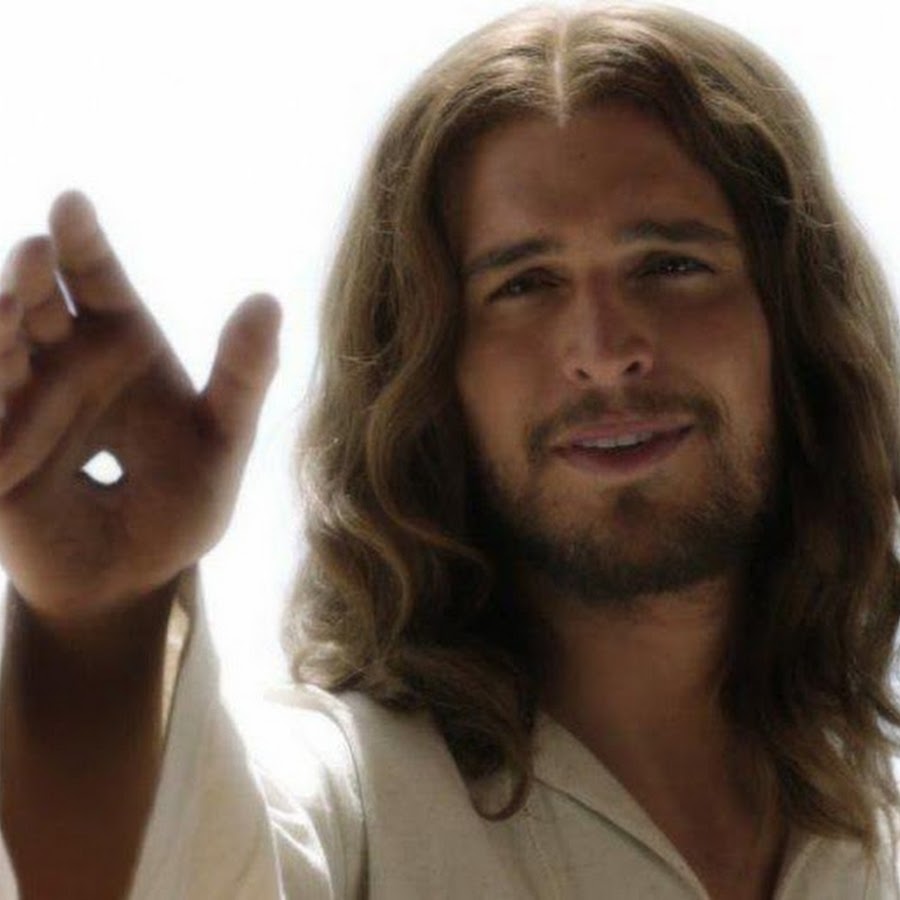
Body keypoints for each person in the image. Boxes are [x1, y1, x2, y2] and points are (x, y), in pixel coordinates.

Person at [0, 3, 898, 898]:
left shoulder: (873, 826)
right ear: (429, 375)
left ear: (798, 326)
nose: (602, 349)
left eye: (669, 264)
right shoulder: (347, 800)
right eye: (525, 283)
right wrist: (97, 630)